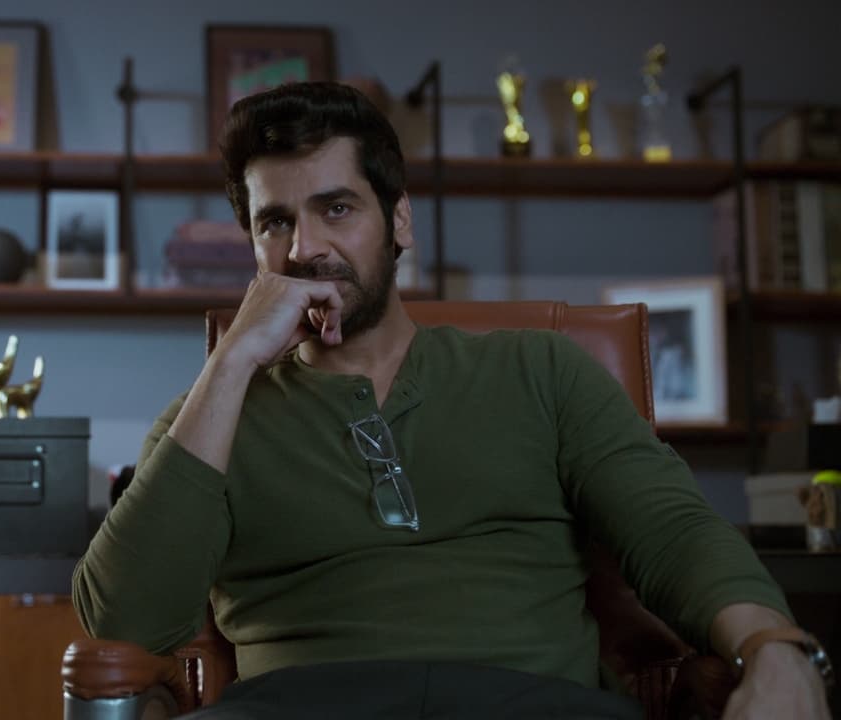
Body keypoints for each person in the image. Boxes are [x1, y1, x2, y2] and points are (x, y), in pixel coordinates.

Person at [71, 82, 832, 719]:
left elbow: (672, 531)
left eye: (337, 209)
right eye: (275, 223)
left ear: (399, 221)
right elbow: (127, 621)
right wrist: (234, 361)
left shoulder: (539, 370)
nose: (304, 248)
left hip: (533, 705)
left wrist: (773, 648)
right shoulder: (209, 416)